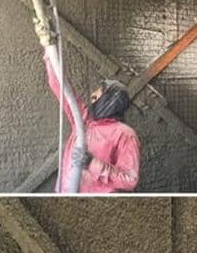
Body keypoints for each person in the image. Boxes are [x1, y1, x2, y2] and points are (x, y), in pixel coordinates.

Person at [41, 41, 141, 193]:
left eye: (98, 93)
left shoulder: (125, 134)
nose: (92, 95)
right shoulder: (83, 121)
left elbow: (130, 179)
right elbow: (60, 87)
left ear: (110, 99)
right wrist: (49, 50)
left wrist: (92, 163)